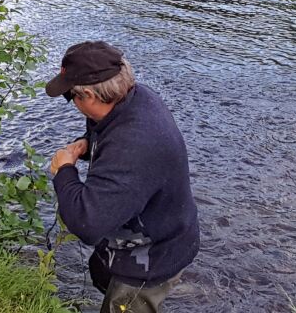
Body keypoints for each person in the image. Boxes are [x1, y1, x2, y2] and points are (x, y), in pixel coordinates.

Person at [46, 41, 199, 313]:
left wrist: (64, 171)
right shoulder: (131, 99)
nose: (72, 103)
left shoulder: (132, 146)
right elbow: (106, 134)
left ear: (90, 96)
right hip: (152, 234)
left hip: (152, 260)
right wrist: (87, 143)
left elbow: (87, 224)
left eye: (71, 96)